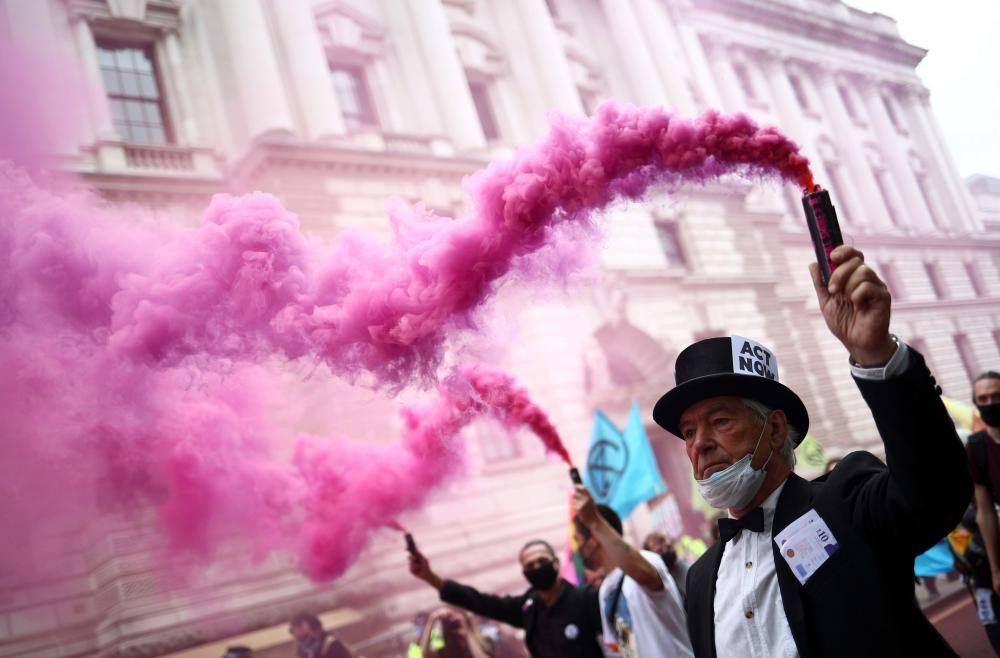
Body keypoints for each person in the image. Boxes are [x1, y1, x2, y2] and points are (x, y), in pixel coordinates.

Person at [650, 245, 971, 657]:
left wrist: (876, 356)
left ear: (775, 428)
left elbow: (935, 490)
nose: (700, 444)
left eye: (720, 421)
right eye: (688, 432)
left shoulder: (845, 503)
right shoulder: (700, 580)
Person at [408, 538, 604, 658]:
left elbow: (621, 638)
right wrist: (429, 576)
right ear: (525, 573)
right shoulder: (528, 608)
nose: (537, 567)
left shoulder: (585, 600)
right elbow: (481, 602)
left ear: (556, 562)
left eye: (542, 561)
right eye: (530, 565)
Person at [571, 493, 693, 658]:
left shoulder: (647, 560)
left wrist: (593, 521)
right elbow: (625, 648)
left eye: (578, 541)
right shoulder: (606, 591)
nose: (578, 550)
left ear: (593, 539)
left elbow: (644, 574)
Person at [964, 370, 1000, 653]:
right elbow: (985, 511)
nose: (990, 403)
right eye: (983, 398)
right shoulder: (976, 447)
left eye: (996, 396)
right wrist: (996, 568)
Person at [642, 531, 691, 601]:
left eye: (668, 547)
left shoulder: (681, 565)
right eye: (660, 551)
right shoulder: (656, 583)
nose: (666, 551)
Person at [289, 612, 354, 658]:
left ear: (316, 630)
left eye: (299, 628)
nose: (295, 634)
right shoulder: (302, 649)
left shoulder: (332, 645)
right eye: (293, 631)